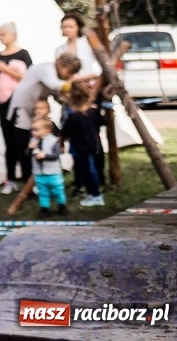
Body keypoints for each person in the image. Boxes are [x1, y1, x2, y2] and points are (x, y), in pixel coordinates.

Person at [0, 23, 33, 194]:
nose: (1, 37)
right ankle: (10, 179)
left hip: (20, 103)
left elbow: (29, 76)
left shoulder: (23, 54)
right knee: (9, 141)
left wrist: (5, 69)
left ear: (13, 35)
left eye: (4, 34)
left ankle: (28, 179)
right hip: (4, 104)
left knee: (23, 140)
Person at [60, 79, 106, 207]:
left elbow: (66, 131)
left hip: (82, 147)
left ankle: (96, 195)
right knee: (87, 171)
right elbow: (103, 121)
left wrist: (61, 140)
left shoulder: (75, 117)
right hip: (91, 145)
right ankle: (91, 192)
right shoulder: (91, 112)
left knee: (89, 171)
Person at [29, 115, 70, 218]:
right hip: (39, 173)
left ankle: (61, 206)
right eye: (33, 130)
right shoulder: (33, 141)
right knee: (43, 192)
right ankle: (44, 208)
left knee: (58, 190)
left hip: (53, 173)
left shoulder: (54, 141)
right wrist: (30, 149)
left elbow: (56, 155)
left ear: (47, 130)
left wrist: (45, 156)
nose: (33, 132)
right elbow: (27, 154)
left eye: (36, 130)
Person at [55, 13, 100, 77]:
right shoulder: (59, 50)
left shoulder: (88, 43)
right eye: (65, 27)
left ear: (78, 27)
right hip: (70, 82)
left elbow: (99, 66)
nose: (67, 30)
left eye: (71, 27)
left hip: (92, 80)